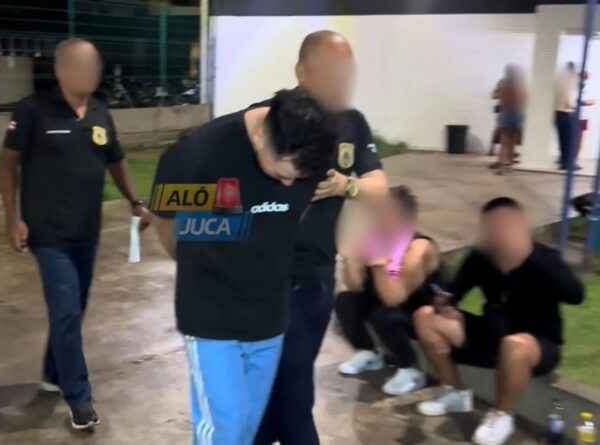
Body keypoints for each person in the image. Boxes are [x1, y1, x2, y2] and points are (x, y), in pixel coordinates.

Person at [151, 88, 337, 445]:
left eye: (297, 178)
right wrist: (200, 267)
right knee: (225, 431)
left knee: (247, 431)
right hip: (210, 315)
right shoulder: (197, 157)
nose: (288, 184)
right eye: (281, 173)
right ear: (260, 134)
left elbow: (293, 215)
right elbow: (168, 224)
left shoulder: (312, 155)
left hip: (269, 317)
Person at [0, 38, 151, 430]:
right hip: (48, 234)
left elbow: (116, 161)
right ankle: (79, 399)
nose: (91, 74)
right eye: (82, 67)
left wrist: (135, 201)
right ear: (61, 70)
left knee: (72, 312)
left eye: (95, 67)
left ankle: (53, 373)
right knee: (66, 312)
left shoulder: (100, 112)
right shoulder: (32, 111)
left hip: (87, 232)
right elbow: (7, 165)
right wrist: (13, 219)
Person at [253, 31, 388, 445]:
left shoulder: (352, 122)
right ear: (303, 72)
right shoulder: (270, 118)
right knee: (292, 394)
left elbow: (379, 188)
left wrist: (347, 186)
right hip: (269, 278)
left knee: (283, 389)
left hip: (317, 279)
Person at [414, 197, 584, 445]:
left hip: (538, 344)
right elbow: (454, 292)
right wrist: (445, 305)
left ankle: (502, 415)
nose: (498, 234)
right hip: (492, 334)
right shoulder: (480, 257)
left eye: (505, 226)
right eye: (492, 227)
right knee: (425, 317)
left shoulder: (544, 258)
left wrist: (529, 256)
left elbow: (577, 295)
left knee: (514, 345)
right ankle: (455, 392)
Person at [334, 186, 440, 396]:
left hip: (418, 313)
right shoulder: (374, 241)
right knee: (345, 301)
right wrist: (351, 259)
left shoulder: (419, 248)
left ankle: (411, 369)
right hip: (385, 303)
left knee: (383, 315)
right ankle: (370, 353)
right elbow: (355, 286)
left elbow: (393, 298)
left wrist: (378, 264)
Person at [554, 62, 594, 171]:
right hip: (568, 113)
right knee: (571, 141)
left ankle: (564, 162)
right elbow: (570, 100)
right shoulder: (571, 83)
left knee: (563, 140)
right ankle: (568, 163)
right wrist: (578, 105)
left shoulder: (559, 81)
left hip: (558, 112)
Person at [492, 65, 526, 175]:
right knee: (512, 143)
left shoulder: (503, 84)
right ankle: (509, 166)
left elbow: (495, 95)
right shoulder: (519, 85)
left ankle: (503, 166)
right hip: (517, 114)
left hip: (506, 113)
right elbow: (524, 99)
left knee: (504, 143)